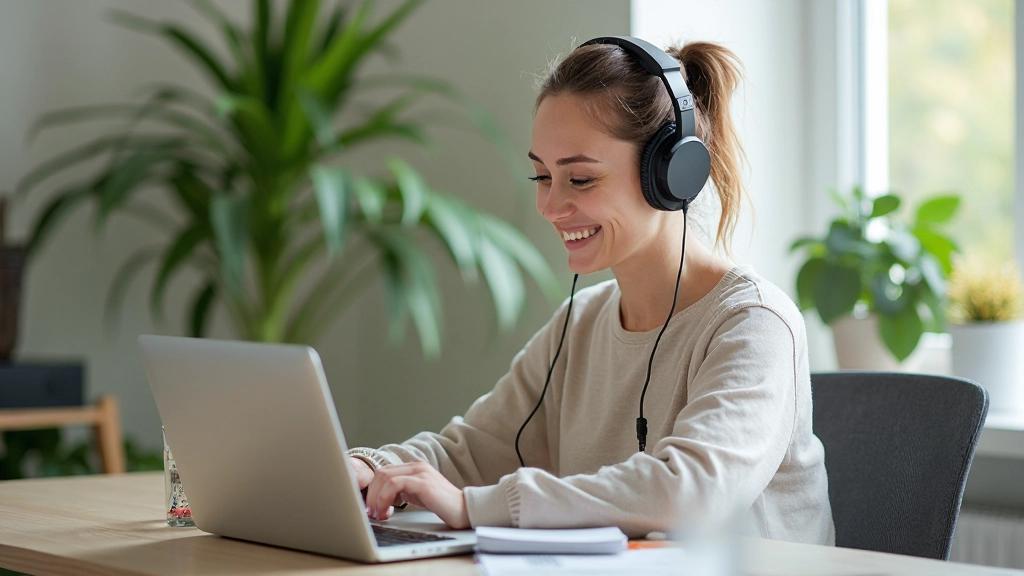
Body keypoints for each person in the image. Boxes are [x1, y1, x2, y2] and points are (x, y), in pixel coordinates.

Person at [347, 37, 835, 544]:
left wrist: (477, 507)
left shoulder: (753, 323)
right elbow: (470, 451)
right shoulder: (579, 324)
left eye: (580, 179)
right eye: (542, 176)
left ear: (670, 173)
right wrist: (370, 467)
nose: (550, 206)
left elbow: (689, 492)